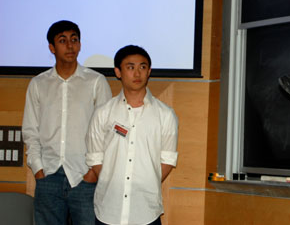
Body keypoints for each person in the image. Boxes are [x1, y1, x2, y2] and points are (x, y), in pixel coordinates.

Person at [22, 20, 112, 225]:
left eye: (74, 40)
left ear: (80, 45)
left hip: (85, 177)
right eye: (63, 41)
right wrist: (38, 170)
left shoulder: (96, 82)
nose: (70, 46)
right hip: (48, 176)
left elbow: (107, 131)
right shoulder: (38, 84)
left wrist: (93, 173)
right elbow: (30, 130)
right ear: (52, 48)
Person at [86, 45, 179, 225]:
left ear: (149, 71)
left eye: (142, 67)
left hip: (146, 211)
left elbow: (167, 160)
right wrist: (114, 181)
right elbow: (95, 158)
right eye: (130, 67)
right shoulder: (103, 113)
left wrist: (143, 182)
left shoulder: (165, 115)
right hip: (108, 209)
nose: (137, 73)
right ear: (118, 72)